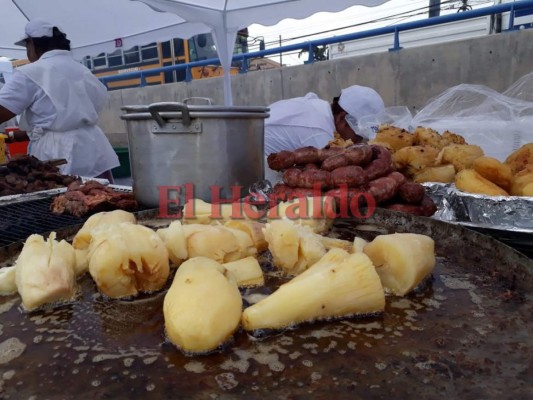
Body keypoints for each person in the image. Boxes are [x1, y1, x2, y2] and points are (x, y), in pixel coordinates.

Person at [0, 19, 119, 180]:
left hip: (57, 153)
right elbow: (61, 118)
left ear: (32, 43)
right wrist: (17, 135)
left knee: (63, 201)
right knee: (99, 197)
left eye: (27, 46)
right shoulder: (82, 69)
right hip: (93, 148)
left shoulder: (30, 73)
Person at [264, 85, 385, 156]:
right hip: (255, 171)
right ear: (342, 118)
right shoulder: (320, 133)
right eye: (359, 136)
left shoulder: (319, 108)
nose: (359, 141)